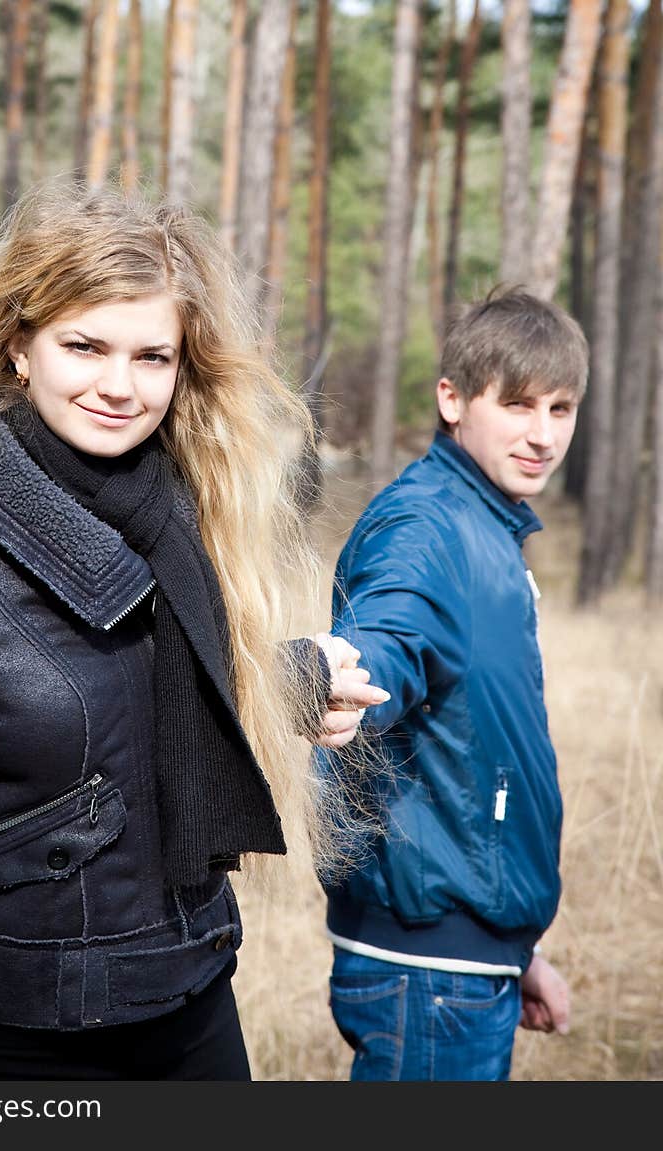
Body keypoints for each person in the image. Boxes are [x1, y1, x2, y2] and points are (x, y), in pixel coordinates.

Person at [0, 179, 386, 1082]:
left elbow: (136, 682)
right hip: (16, 1040)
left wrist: (287, 679)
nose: (121, 386)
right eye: (85, 345)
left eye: (153, 356)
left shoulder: (181, 504)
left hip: (193, 995)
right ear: (18, 346)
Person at [320, 286, 586, 1082]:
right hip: (427, 971)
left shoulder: (485, 523)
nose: (542, 435)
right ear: (453, 398)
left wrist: (514, 949)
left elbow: (472, 761)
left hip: (462, 956)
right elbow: (388, 637)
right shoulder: (428, 526)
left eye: (561, 408)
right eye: (517, 405)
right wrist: (347, 679)